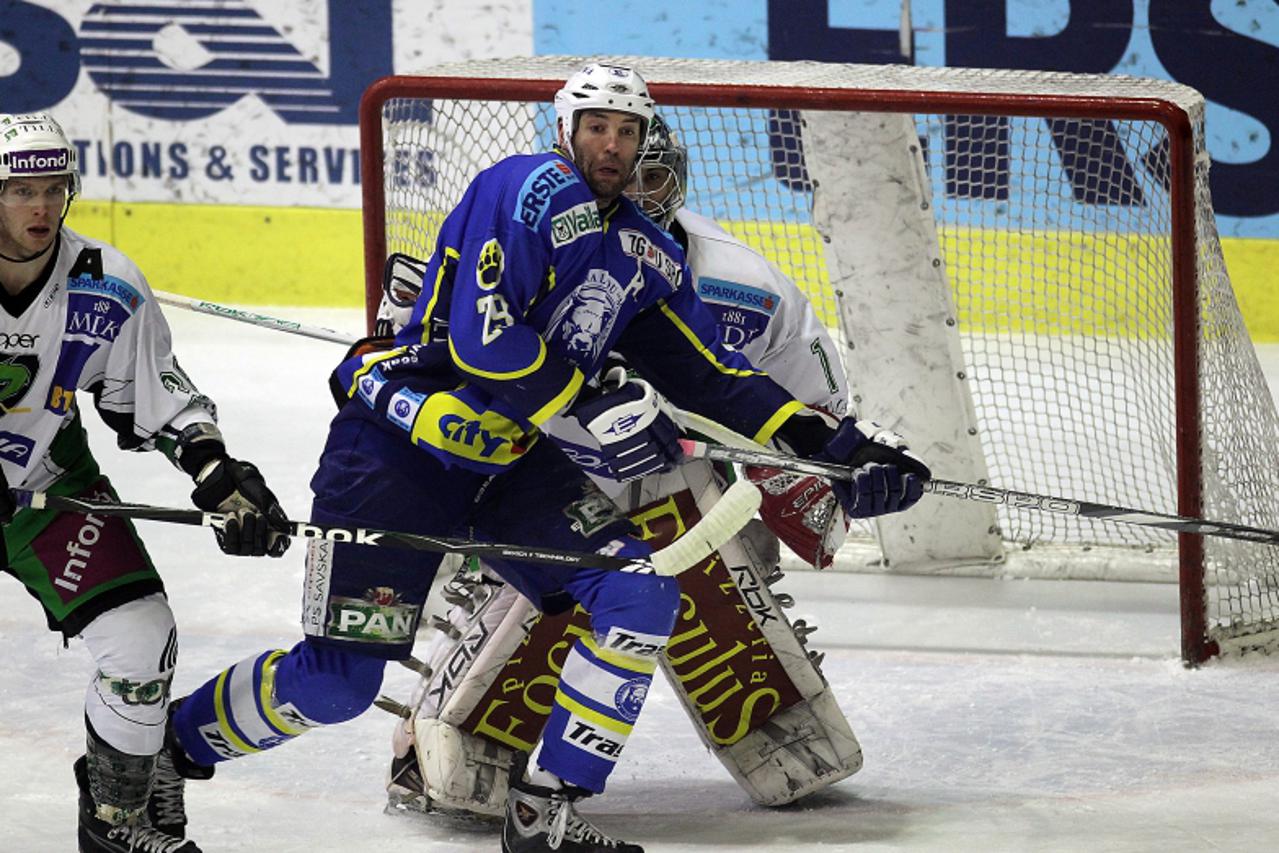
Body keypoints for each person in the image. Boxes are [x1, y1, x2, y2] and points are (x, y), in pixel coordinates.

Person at [163, 62, 930, 853]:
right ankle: (166, 751)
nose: (612, 144)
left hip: (509, 465)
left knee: (638, 595)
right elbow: (483, 340)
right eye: (597, 126)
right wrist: (590, 396)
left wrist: (838, 448)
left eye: (627, 132)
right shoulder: (524, 187)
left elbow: (715, 377)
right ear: (566, 130)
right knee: (337, 682)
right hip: (399, 452)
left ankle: (544, 812)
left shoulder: (642, 253)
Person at [381, 112, 868, 822]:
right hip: (551, 482)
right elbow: (447, 351)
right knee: (523, 580)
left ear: (676, 182)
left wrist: (822, 474)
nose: (635, 188)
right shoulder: (536, 240)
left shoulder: (745, 286)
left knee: (790, 742)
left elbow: (811, 407)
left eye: (653, 175)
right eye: (622, 170)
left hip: (695, 497)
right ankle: (454, 704)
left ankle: (763, 686)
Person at [0, 113, 292, 853]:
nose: (41, 206)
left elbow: (157, 400)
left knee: (140, 639)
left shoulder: (104, 283)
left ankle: (115, 820)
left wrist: (218, 473)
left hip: (43, 486)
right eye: (20, 189)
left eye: (54, 187)